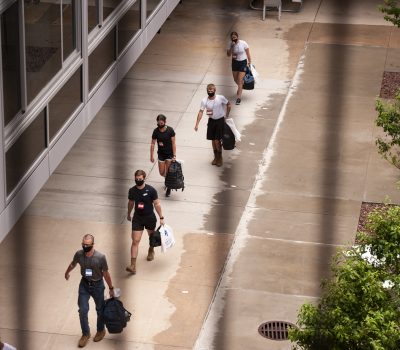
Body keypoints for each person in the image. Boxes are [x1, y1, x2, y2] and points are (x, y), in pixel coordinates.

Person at [64, 234, 114, 348]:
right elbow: (73, 264)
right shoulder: (79, 254)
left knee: (100, 310)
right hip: (84, 284)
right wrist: (67, 272)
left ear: (92, 245)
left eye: (87, 244)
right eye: (83, 244)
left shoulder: (100, 257)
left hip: (98, 285)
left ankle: (101, 330)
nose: (84, 246)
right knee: (83, 310)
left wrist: (111, 288)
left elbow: (106, 273)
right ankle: (85, 334)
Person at [126, 170, 165, 274]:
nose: (138, 180)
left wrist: (161, 217)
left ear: (144, 178)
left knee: (151, 236)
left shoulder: (151, 190)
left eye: (140, 179)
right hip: (137, 218)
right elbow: (130, 202)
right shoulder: (132, 190)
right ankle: (133, 265)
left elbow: (157, 204)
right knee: (135, 241)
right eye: (136, 179)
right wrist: (128, 213)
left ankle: (151, 249)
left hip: (149, 217)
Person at [194, 84, 231, 167]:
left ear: (215, 90)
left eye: (211, 90)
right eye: (208, 90)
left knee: (217, 140)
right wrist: (197, 124)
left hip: (220, 120)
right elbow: (201, 112)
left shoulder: (220, 98)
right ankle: (215, 157)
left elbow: (229, 104)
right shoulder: (204, 100)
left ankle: (220, 157)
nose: (210, 92)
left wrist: (226, 115)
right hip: (211, 121)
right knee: (212, 140)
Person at [150, 114, 177, 197]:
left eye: (161, 123)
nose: (160, 124)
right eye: (158, 123)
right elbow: (152, 143)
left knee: (168, 172)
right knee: (162, 172)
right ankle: (167, 179)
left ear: (165, 122)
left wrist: (174, 155)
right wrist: (151, 155)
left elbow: (173, 143)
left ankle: (168, 187)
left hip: (169, 154)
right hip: (161, 154)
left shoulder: (170, 130)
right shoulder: (155, 131)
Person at [226, 31, 252, 105]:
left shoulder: (243, 43)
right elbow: (228, 54)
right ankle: (241, 86)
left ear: (237, 37)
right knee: (236, 80)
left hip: (243, 62)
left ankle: (238, 98)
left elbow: (248, 53)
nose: (234, 39)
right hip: (235, 63)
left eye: (235, 37)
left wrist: (250, 61)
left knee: (240, 80)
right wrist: (231, 47)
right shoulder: (230, 44)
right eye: (232, 37)